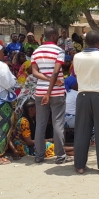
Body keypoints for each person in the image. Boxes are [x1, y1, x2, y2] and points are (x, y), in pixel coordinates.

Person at [65, 30, 99, 175]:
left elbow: (77, 74)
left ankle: (80, 166)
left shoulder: (77, 57)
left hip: (82, 95)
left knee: (82, 131)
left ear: (85, 42)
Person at [30, 27, 69, 164]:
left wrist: (45, 86)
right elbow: (55, 71)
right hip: (56, 92)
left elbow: (35, 73)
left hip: (40, 91)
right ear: (53, 36)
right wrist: (50, 89)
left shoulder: (36, 51)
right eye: (57, 35)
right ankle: (60, 156)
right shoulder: (59, 51)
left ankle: (39, 156)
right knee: (57, 124)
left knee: (40, 124)